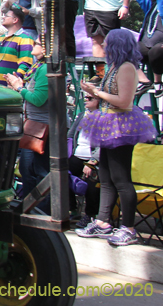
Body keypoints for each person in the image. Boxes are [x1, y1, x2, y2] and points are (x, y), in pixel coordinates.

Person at [76, 29, 157, 246]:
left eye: (108, 43)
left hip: (121, 127)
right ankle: (103, 221)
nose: (103, 47)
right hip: (108, 124)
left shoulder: (128, 67)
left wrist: (97, 92)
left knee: (121, 179)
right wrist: (92, 90)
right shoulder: (113, 67)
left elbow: (124, 101)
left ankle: (128, 227)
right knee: (106, 177)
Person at [5, 41, 49, 211]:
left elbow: (38, 99)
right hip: (34, 125)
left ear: (45, 48)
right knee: (26, 169)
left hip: (43, 127)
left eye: (37, 43)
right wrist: (17, 86)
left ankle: (41, 209)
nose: (33, 45)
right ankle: (31, 207)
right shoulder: (37, 67)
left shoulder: (45, 69)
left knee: (38, 171)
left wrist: (19, 88)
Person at [119, 0, 163, 98]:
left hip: (160, 47)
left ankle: (158, 83)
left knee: (156, 51)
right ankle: (143, 80)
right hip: (146, 43)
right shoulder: (152, 2)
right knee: (126, 48)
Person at [0, 8, 35, 86]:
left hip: (10, 89)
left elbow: (25, 63)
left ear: (15, 20)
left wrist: (15, 81)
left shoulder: (25, 38)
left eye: (6, 16)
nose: (3, 17)